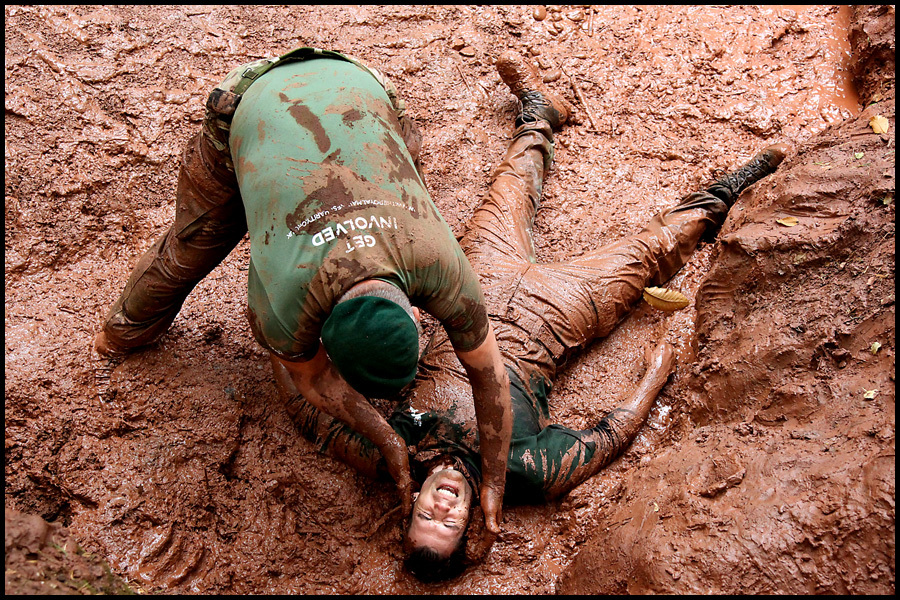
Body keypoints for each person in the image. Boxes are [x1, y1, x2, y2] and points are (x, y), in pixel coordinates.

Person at [273, 50, 789, 581]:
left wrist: (279, 330)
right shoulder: (526, 473)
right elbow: (608, 436)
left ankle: (539, 112)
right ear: (471, 525)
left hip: (471, 285)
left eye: (425, 516)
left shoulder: (394, 448)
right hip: (561, 312)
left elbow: (309, 411)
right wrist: (658, 369)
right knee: (651, 251)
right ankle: (733, 189)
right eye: (448, 525)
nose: (442, 509)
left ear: (411, 505)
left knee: (510, 187)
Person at [92, 47, 514, 531]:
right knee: (192, 248)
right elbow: (313, 380)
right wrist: (388, 440)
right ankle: (119, 335)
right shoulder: (283, 305)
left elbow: (489, 376)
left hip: (359, 86)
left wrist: (494, 480)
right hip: (251, 102)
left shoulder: (442, 264)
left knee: (401, 157)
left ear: (416, 315)